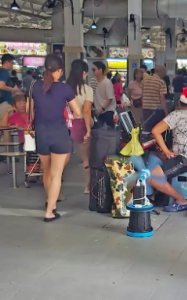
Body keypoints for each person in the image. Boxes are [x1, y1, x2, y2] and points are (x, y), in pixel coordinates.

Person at [29, 54, 81, 222]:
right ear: (59, 71)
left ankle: (49, 202)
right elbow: (78, 112)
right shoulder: (65, 89)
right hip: (59, 132)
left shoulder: (35, 86)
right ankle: (50, 211)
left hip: (41, 133)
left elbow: (31, 112)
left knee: (47, 171)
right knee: (57, 173)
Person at [150, 88, 187, 212]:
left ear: (179, 102)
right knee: (161, 157)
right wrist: (166, 151)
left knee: (152, 176)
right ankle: (157, 195)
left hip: (186, 160)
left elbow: (155, 131)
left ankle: (181, 200)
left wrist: (167, 152)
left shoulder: (176, 114)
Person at [66, 59, 93, 194]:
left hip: (65, 124)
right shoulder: (87, 89)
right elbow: (87, 111)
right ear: (83, 73)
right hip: (80, 124)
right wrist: (88, 129)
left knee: (63, 159)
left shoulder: (64, 87)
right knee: (86, 158)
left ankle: (56, 187)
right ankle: (88, 186)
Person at [0, 54, 21, 162]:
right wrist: (14, 90)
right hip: (4, 105)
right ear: (7, 62)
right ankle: (9, 154)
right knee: (7, 129)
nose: (12, 65)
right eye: (12, 63)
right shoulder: (4, 72)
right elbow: (1, 86)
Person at [141, 65, 167, 131]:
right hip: (156, 111)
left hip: (145, 110)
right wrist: (166, 112)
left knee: (147, 130)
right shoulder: (161, 82)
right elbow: (162, 99)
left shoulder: (144, 80)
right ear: (161, 72)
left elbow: (142, 95)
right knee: (156, 131)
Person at [92, 61, 115, 127]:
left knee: (108, 132)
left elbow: (110, 98)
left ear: (100, 70)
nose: (93, 72)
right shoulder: (93, 81)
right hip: (98, 112)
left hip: (107, 111)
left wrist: (102, 108)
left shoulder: (107, 82)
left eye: (94, 70)